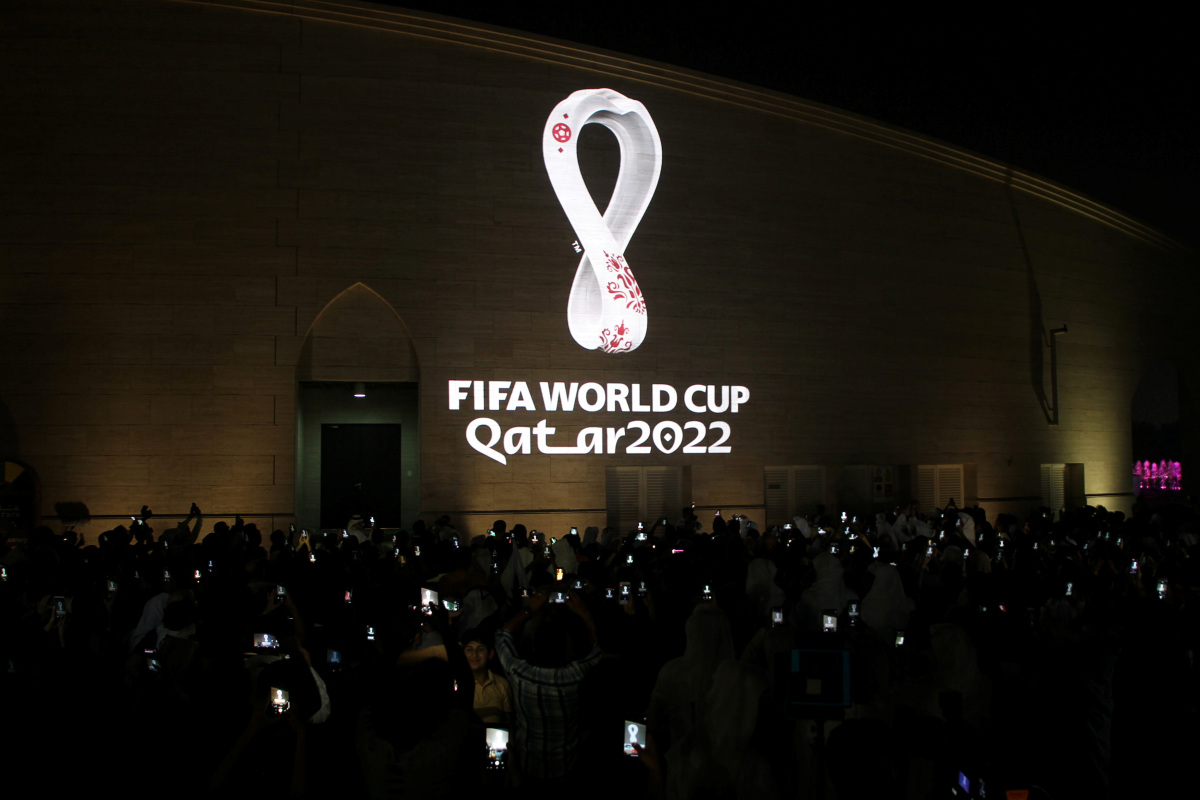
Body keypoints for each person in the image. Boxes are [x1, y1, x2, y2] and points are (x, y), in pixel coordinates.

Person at [494, 587, 602, 782]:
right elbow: (598, 650)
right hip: (566, 764)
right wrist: (584, 614)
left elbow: (502, 635)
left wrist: (529, 609)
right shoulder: (575, 675)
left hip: (527, 765)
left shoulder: (519, 672)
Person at [462, 630, 511, 725]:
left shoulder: (501, 684)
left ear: (490, 654)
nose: (474, 655)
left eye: (480, 649)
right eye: (469, 649)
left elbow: (509, 723)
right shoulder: (457, 685)